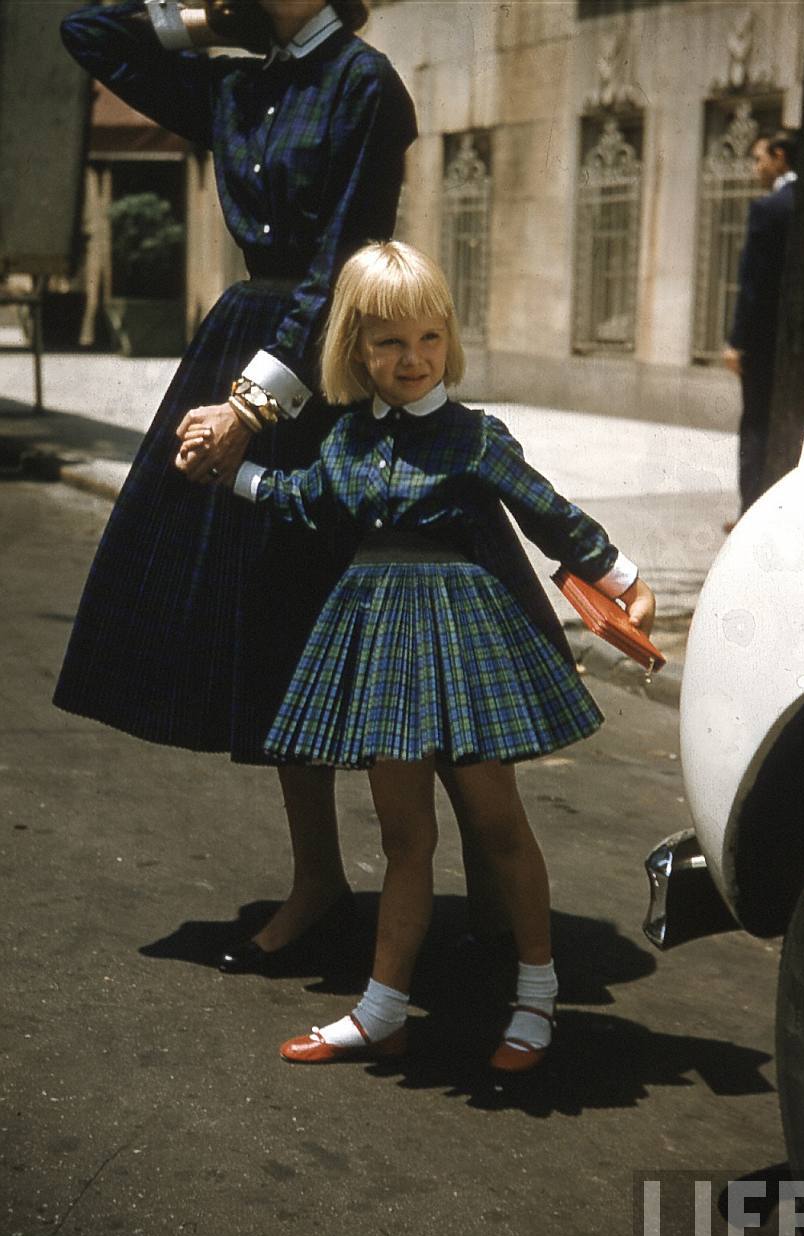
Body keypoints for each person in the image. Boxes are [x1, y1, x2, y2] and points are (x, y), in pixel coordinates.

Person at [180, 241, 657, 1071]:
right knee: (405, 837)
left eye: (429, 338)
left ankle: (536, 994)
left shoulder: (474, 438)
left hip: (462, 642)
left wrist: (622, 578)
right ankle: (383, 1009)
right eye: (391, 342)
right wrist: (228, 473)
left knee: (500, 826)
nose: (413, 358)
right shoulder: (347, 443)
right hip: (383, 650)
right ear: (355, 349)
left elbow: (548, 511)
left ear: (449, 339)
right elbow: (302, 499)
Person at [52, 0, 422, 968]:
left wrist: (249, 409)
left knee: (392, 628)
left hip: (332, 364)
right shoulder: (238, 80)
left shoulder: (364, 84)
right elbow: (88, 33)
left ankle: (484, 890)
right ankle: (320, 879)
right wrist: (201, 17)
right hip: (250, 339)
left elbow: (341, 267)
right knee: (269, 626)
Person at [723, 129, 804, 526]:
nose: (757, 168)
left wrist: (737, 342)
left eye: (760, 159)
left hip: (765, 346)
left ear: (779, 157)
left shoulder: (767, 209)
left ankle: (752, 514)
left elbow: (753, 284)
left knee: (757, 425)